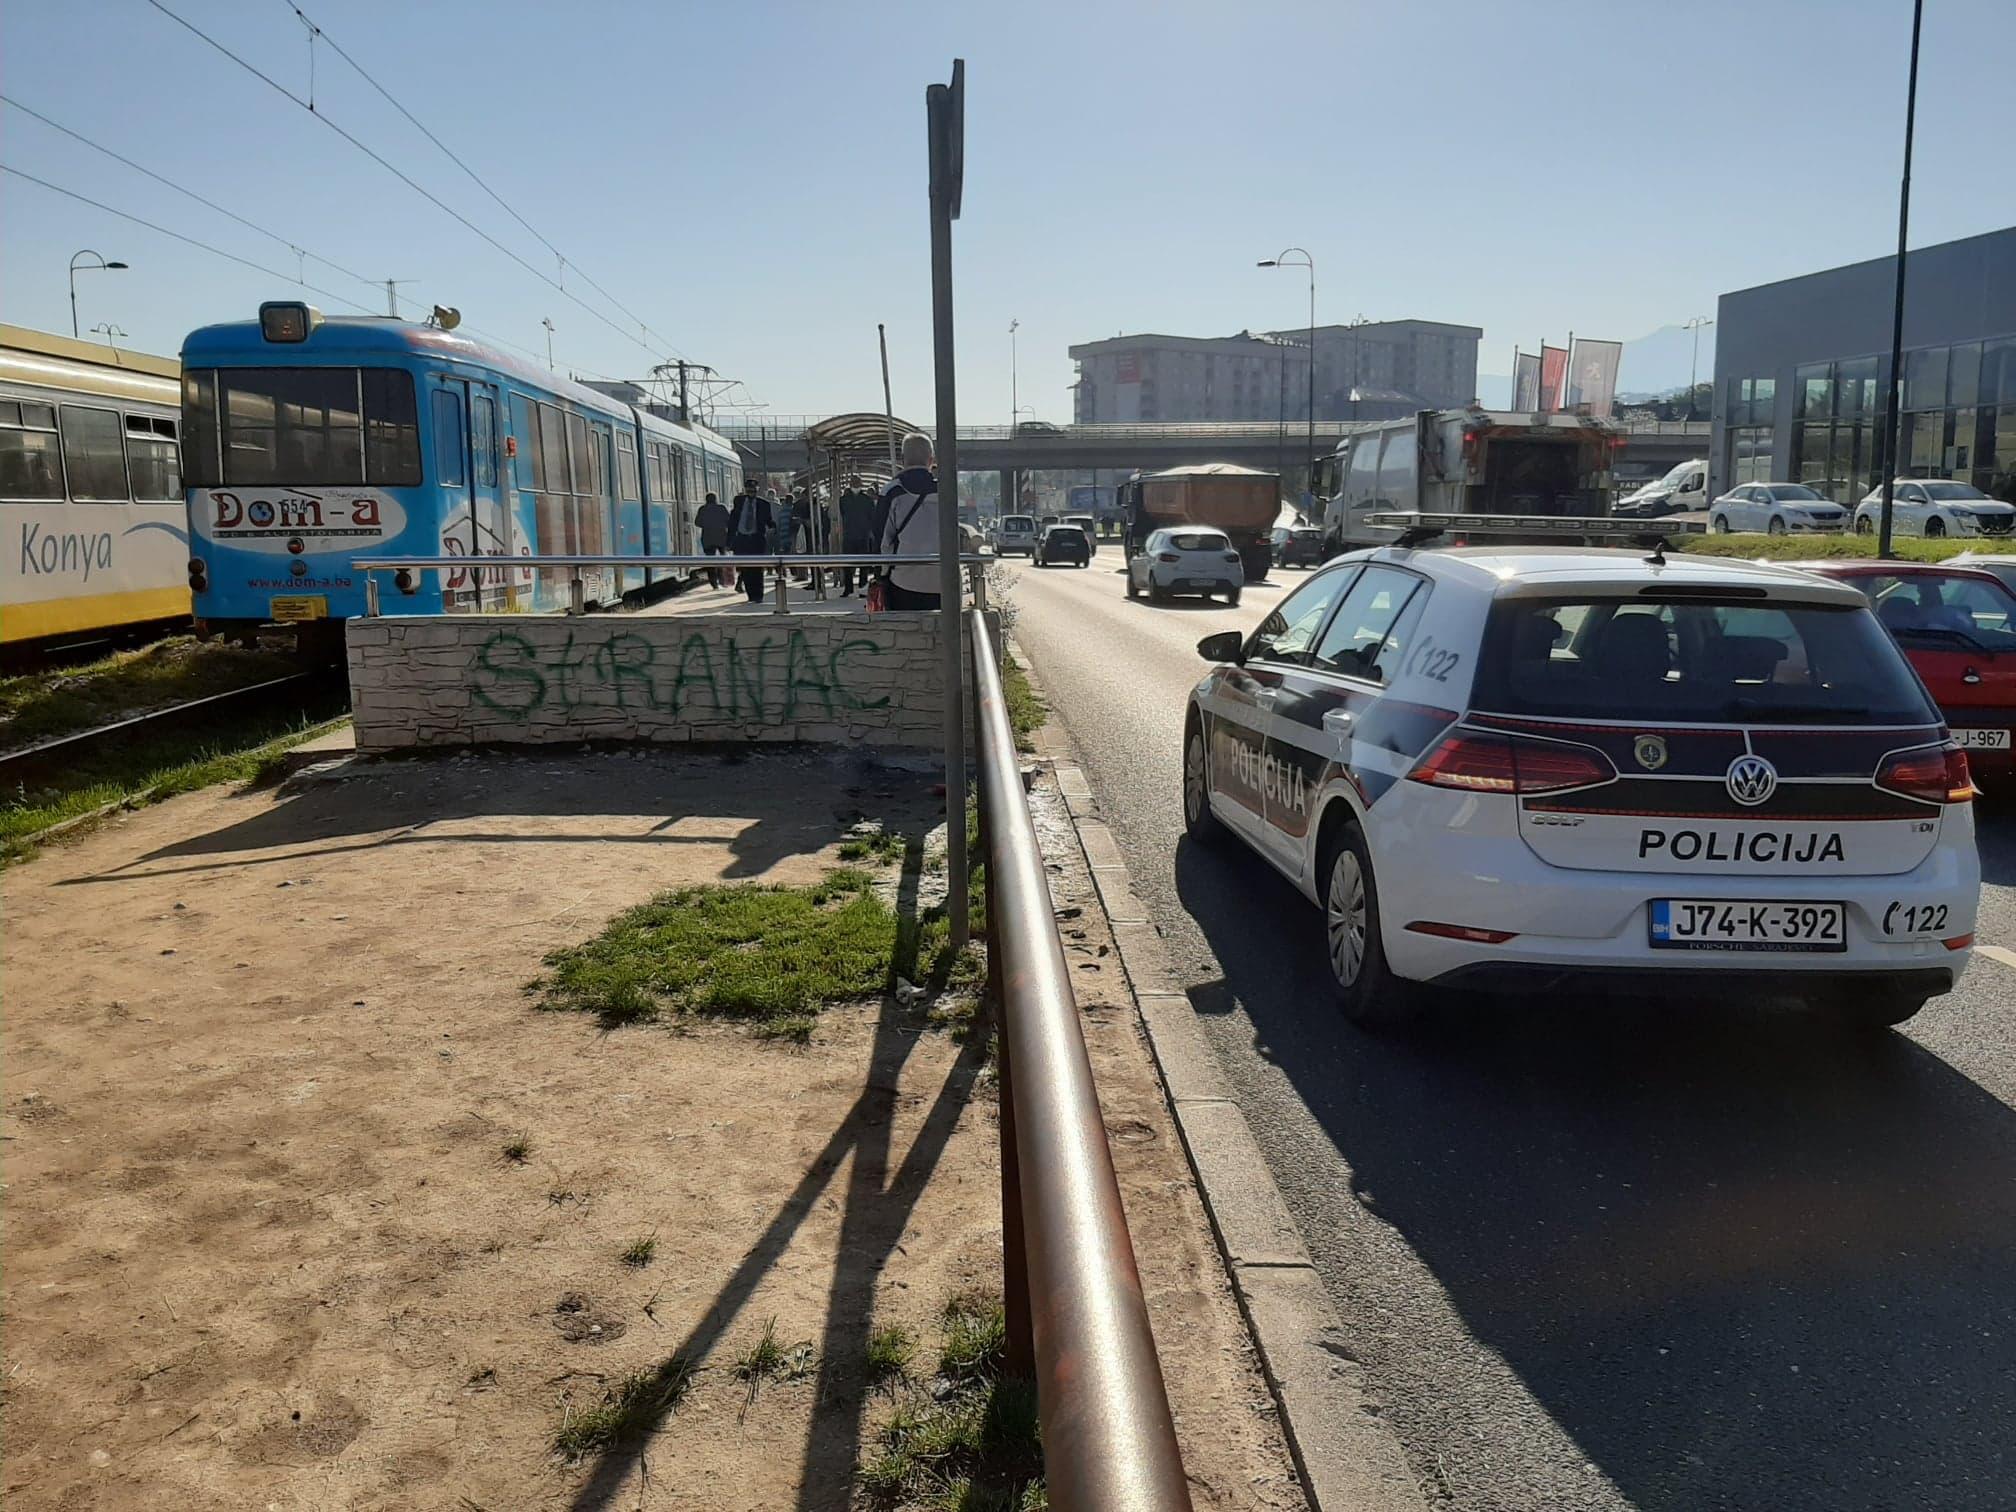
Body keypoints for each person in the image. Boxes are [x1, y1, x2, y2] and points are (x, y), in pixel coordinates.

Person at [877, 434, 943, 610]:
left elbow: (883, 541)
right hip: (943, 581)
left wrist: (882, 575)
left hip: (902, 581)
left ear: (902, 459)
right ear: (931, 460)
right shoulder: (946, 490)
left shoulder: (892, 491)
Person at [727, 481, 774, 603]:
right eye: (749, 490)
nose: (751, 493)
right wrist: (729, 541)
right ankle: (750, 595)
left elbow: (768, 520)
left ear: (757, 490)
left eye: (753, 490)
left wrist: (773, 527)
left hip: (756, 539)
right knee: (745, 569)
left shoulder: (764, 504)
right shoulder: (739, 502)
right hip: (742, 540)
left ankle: (758, 595)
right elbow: (732, 522)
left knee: (757, 569)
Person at [838, 481, 877, 594]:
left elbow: (871, 516)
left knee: (861, 563)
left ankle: (859, 586)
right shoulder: (846, 500)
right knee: (849, 563)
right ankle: (852, 587)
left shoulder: (848, 500)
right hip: (855, 534)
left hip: (858, 534)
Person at [695, 491, 731, 588]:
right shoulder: (722, 508)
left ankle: (713, 583)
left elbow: (697, 522)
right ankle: (723, 580)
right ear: (716, 499)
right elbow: (729, 521)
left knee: (710, 561)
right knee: (722, 559)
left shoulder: (702, 509)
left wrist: (707, 525)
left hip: (708, 538)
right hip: (721, 538)